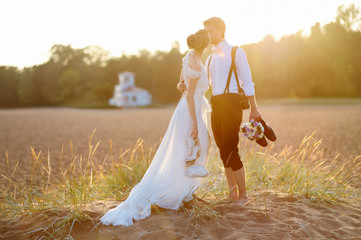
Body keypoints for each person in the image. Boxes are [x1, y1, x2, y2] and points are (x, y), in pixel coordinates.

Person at [100, 29, 212, 226]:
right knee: (194, 146)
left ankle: (187, 191)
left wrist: (181, 86)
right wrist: (194, 122)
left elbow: (180, 83)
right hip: (190, 109)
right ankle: (184, 192)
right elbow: (188, 93)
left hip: (191, 107)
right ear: (206, 44)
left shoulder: (189, 58)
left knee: (193, 147)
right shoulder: (194, 62)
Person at [178, 17, 261, 206]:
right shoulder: (210, 58)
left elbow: (248, 81)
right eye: (205, 31)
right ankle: (232, 195)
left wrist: (254, 108)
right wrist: (184, 85)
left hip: (231, 103)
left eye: (210, 31)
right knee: (223, 150)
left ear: (220, 31)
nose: (207, 35)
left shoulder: (236, 52)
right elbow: (201, 83)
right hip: (216, 105)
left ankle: (244, 196)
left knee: (232, 148)